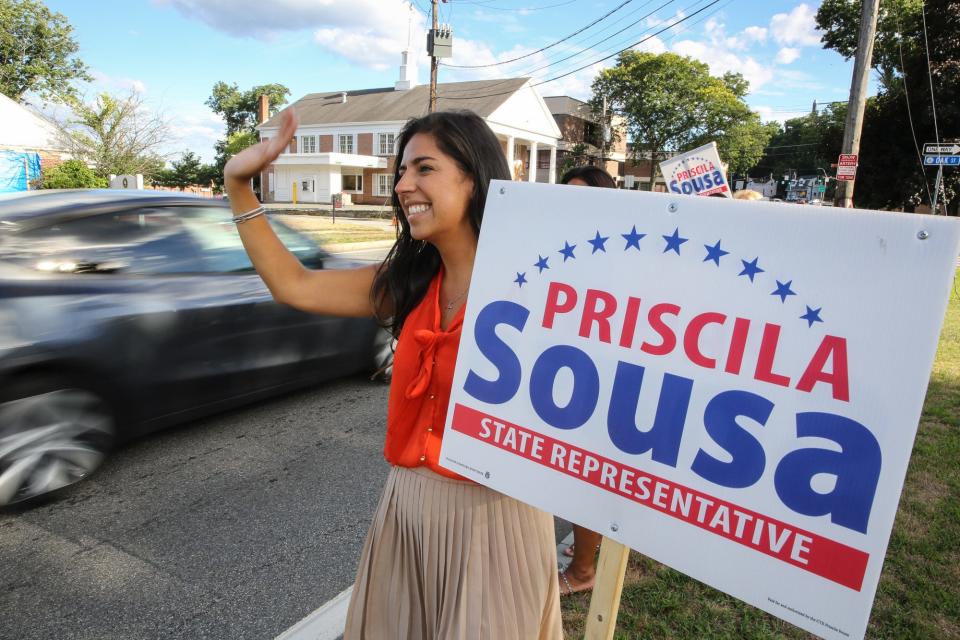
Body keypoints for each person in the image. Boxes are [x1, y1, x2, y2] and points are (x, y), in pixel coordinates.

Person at [223, 108, 562, 640]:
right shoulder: (408, 281)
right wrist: (238, 184)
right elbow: (295, 286)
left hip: (497, 520)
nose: (403, 186)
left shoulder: (544, 292)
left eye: (423, 169)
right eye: (401, 171)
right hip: (407, 511)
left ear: (474, 178)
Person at [555, 165, 617, 596]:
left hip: (597, 379)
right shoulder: (565, 244)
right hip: (563, 373)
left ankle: (582, 572)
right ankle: (583, 551)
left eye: (583, 197)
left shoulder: (614, 251)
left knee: (584, 481)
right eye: (566, 195)